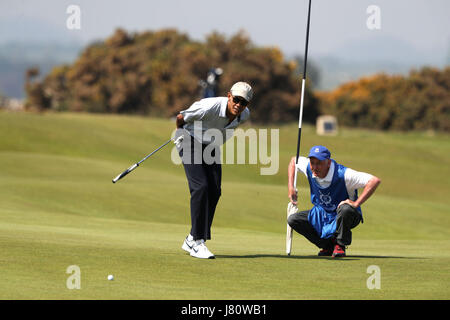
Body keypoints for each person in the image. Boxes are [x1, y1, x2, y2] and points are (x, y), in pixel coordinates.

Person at [175, 81, 253, 259]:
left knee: (214, 191)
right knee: (200, 187)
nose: (239, 105)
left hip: (210, 146)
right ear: (229, 96)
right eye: (236, 99)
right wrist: (180, 134)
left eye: (244, 102)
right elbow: (181, 117)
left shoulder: (244, 115)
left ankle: (191, 238)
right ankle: (197, 242)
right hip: (189, 139)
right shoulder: (208, 107)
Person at [287, 145, 381, 257]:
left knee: (345, 209)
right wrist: (291, 187)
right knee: (294, 220)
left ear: (328, 162)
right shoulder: (308, 167)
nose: (315, 167)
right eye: (313, 163)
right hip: (322, 213)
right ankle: (328, 246)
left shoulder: (344, 175)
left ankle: (340, 245)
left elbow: (374, 181)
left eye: (319, 163)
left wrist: (356, 203)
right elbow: (294, 161)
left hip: (347, 214)